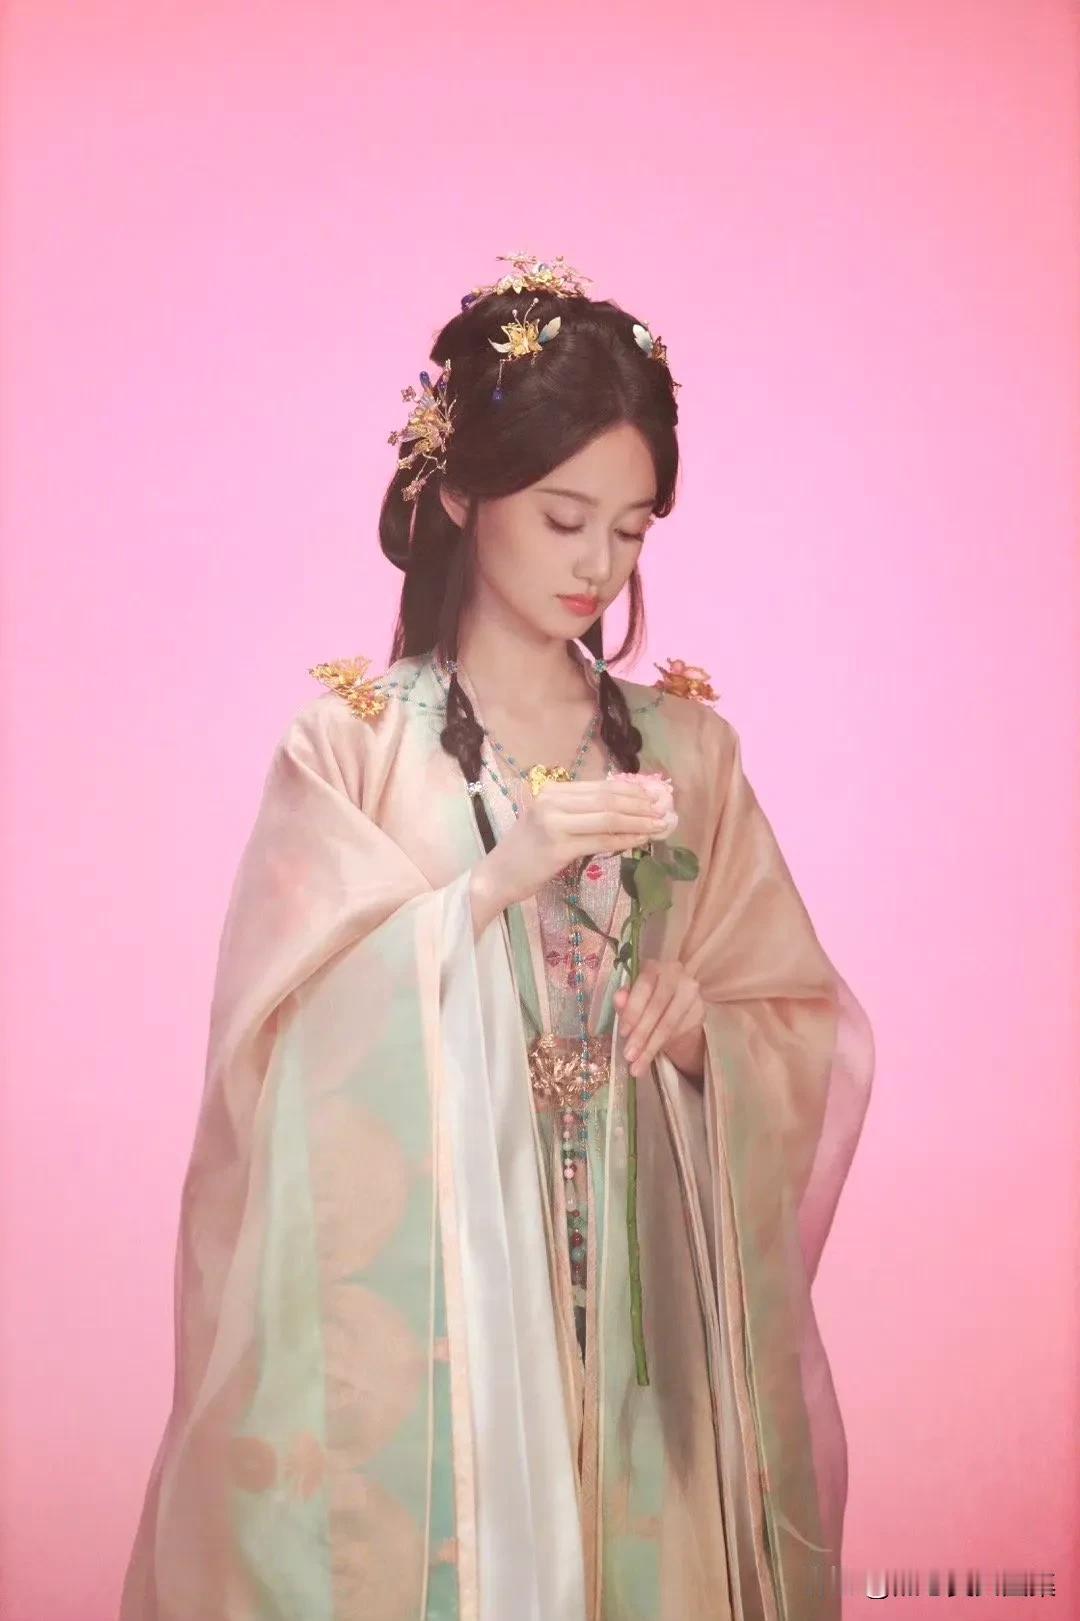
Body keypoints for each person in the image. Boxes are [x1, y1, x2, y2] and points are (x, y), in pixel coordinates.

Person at [119, 252, 875, 1621]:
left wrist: (699, 1029)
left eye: (631, 531)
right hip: (444, 1330)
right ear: (462, 493)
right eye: (564, 517)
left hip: (645, 1328)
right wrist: (484, 892)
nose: (598, 565)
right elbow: (274, 1058)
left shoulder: (688, 753)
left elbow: (799, 1018)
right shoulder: (352, 752)